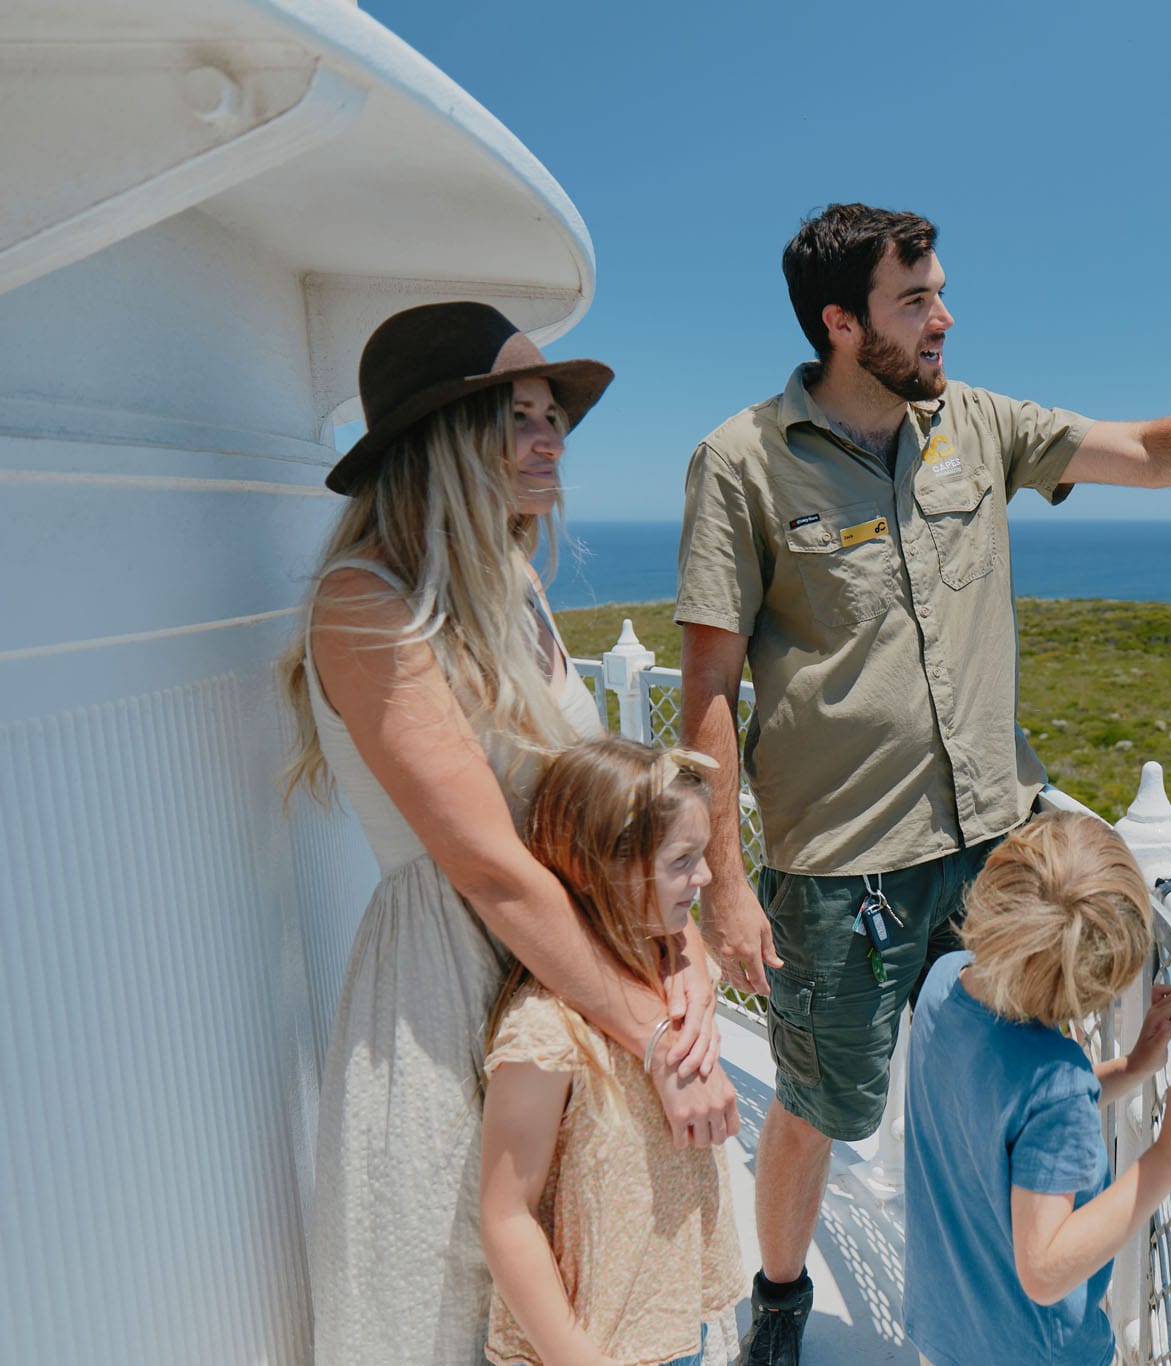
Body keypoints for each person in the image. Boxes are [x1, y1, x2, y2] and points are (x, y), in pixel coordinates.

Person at [672, 203, 1171, 1363]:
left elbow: (1144, 449)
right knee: (822, 1102)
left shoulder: (978, 424)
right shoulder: (740, 461)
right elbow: (706, 684)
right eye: (915, 299)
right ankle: (782, 1295)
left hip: (998, 851)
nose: (945, 316)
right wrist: (726, 887)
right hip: (843, 867)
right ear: (842, 323)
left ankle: (987, 1299)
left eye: (941, 290)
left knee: (985, 1073)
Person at [281, 302, 728, 1364]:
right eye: (516, 414)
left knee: (584, 1278)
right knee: (451, 1283)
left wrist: (687, 955)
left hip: (569, 973)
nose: (550, 438)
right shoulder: (365, 601)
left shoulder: (515, 585)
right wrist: (656, 1035)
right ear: (441, 440)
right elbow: (487, 863)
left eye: (551, 416)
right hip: (450, 971)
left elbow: (601, 807)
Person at [902, 812, 1171, 1366]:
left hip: (944, 1328)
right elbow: (1043, 1271)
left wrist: (1133, 1067)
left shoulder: (944, 982)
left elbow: (1003, 1115)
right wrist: (1166, 1158)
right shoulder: (1057, 1082)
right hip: (1035, 1352)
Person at [480, 738, 744, 1366]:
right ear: (607, 866)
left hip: (680, 1321)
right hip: (600, 1344)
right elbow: (505, 1215)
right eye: (683, 860)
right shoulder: (546, 1034)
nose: (704, 877)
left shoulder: (675, 971)